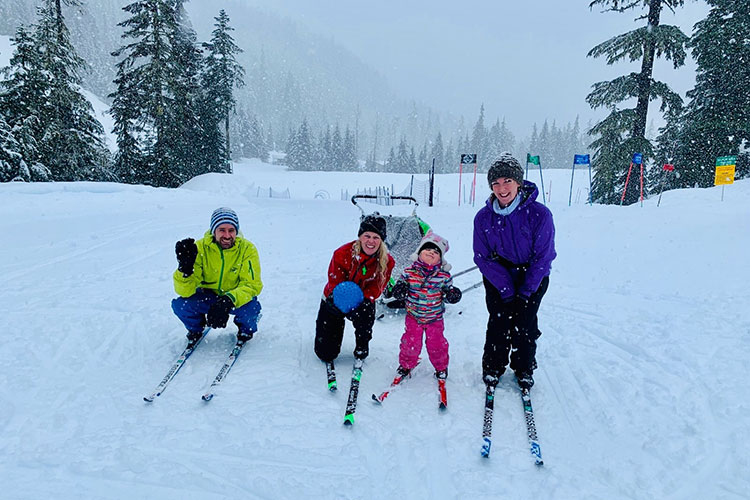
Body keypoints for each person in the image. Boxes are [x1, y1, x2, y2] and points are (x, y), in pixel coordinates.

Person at [473, 153, 556, 390]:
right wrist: (506, 288)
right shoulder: (483, 218)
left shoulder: (540, 214)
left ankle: (524, 367)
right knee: (499, 322)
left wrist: (525, 291)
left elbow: (544, 256)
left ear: (518, 183)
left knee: (525, 322)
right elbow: (482, 256)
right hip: (498, 276)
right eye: (496, 183)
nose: (502, 188)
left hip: (533, 275)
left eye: (507, 181)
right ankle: (493, 366)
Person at [172, 207, 263, 345]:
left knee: (251, 308)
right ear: (213, 230)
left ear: (236, 231)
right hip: (208, 296)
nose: (227, 235)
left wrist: (228, 301)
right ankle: (195, 328)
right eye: (222, 230)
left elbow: (251, 285)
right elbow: (185, 291)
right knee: (182, 305)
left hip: (234, 297)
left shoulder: (247, 249)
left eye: (231, 230)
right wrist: (185, 271)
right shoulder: (200, 248)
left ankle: (245, 330)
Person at [314, 214, 395, 364]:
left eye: (376, 237)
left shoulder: (387, 262)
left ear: (381, 240)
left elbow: (377, 288)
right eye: (367, 236)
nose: (371, 241)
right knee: (325, 354)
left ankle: (362, 344)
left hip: (362, 301)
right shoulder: (342, 253)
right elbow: (334, 280)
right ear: (360, 237)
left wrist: (363, 300)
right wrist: (337, 298)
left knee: (366, 311)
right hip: (335, 298)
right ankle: (330, 341)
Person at [390, 232, 462, 380]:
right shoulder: (409, 272)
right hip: (413, 317)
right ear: (419, 253)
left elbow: (447, 294)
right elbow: (400, 286)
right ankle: (406, 364)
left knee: (437, 345)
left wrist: (451, 295)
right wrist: (399, 290)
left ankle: (441, 367)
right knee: (410, 343)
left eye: (436, 252)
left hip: (434, 318)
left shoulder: (443, 276)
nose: (431, 252)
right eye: (427, 249)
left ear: (440, 259)